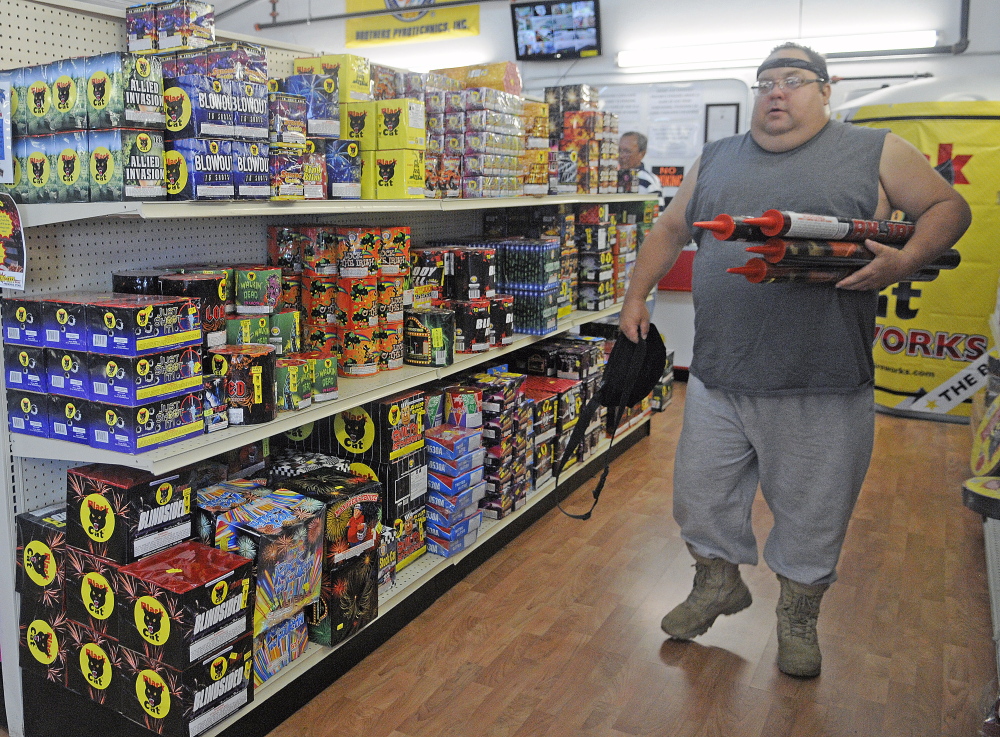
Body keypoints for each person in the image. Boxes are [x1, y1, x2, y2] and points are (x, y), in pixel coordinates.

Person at [619, 42, 971, 678]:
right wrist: (635, 294)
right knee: (701, 498)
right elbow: (671, 230)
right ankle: (717, 584)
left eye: (793, 80)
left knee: (813, 508)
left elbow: (949, 208)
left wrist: (903, 260)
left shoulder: (877, 150)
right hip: (720, 374)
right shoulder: (717, 156)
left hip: (824, 378)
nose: (775, 91)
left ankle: (798, 615)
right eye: (764, 82)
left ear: (826, 89)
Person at [619, 131, 663, 197]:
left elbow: (657, 206)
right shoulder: (615, 178)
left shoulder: (648, 181)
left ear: (642, 154)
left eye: (627, 151)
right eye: (619, 150)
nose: (621, 156)